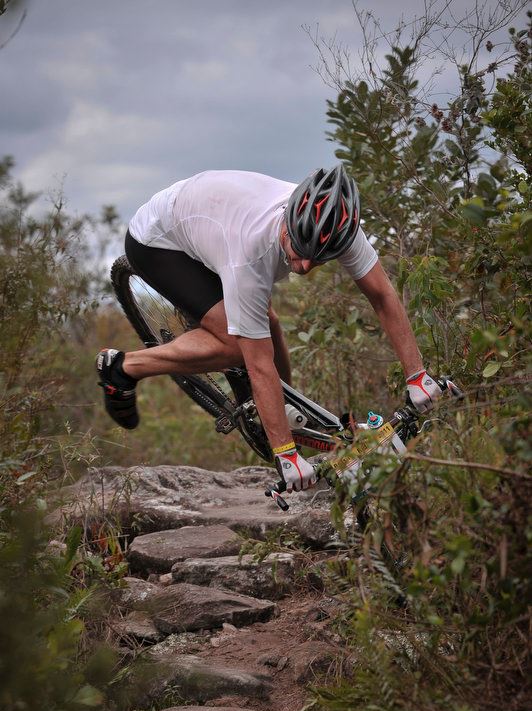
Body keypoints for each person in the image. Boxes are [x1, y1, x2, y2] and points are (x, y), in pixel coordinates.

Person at [96, 166, 441, 492]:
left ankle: (289, 411)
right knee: (238, 347)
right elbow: (259, 364)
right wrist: (286, 453)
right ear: (287, 222)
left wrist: (417, 376)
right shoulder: (250, 250)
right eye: (299, 250)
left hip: (213, 219)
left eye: (318, 259)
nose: (304, 266)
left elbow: (382, 297)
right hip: (160, 240)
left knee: (267, 323)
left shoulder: (337, 230)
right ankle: (123, 369)